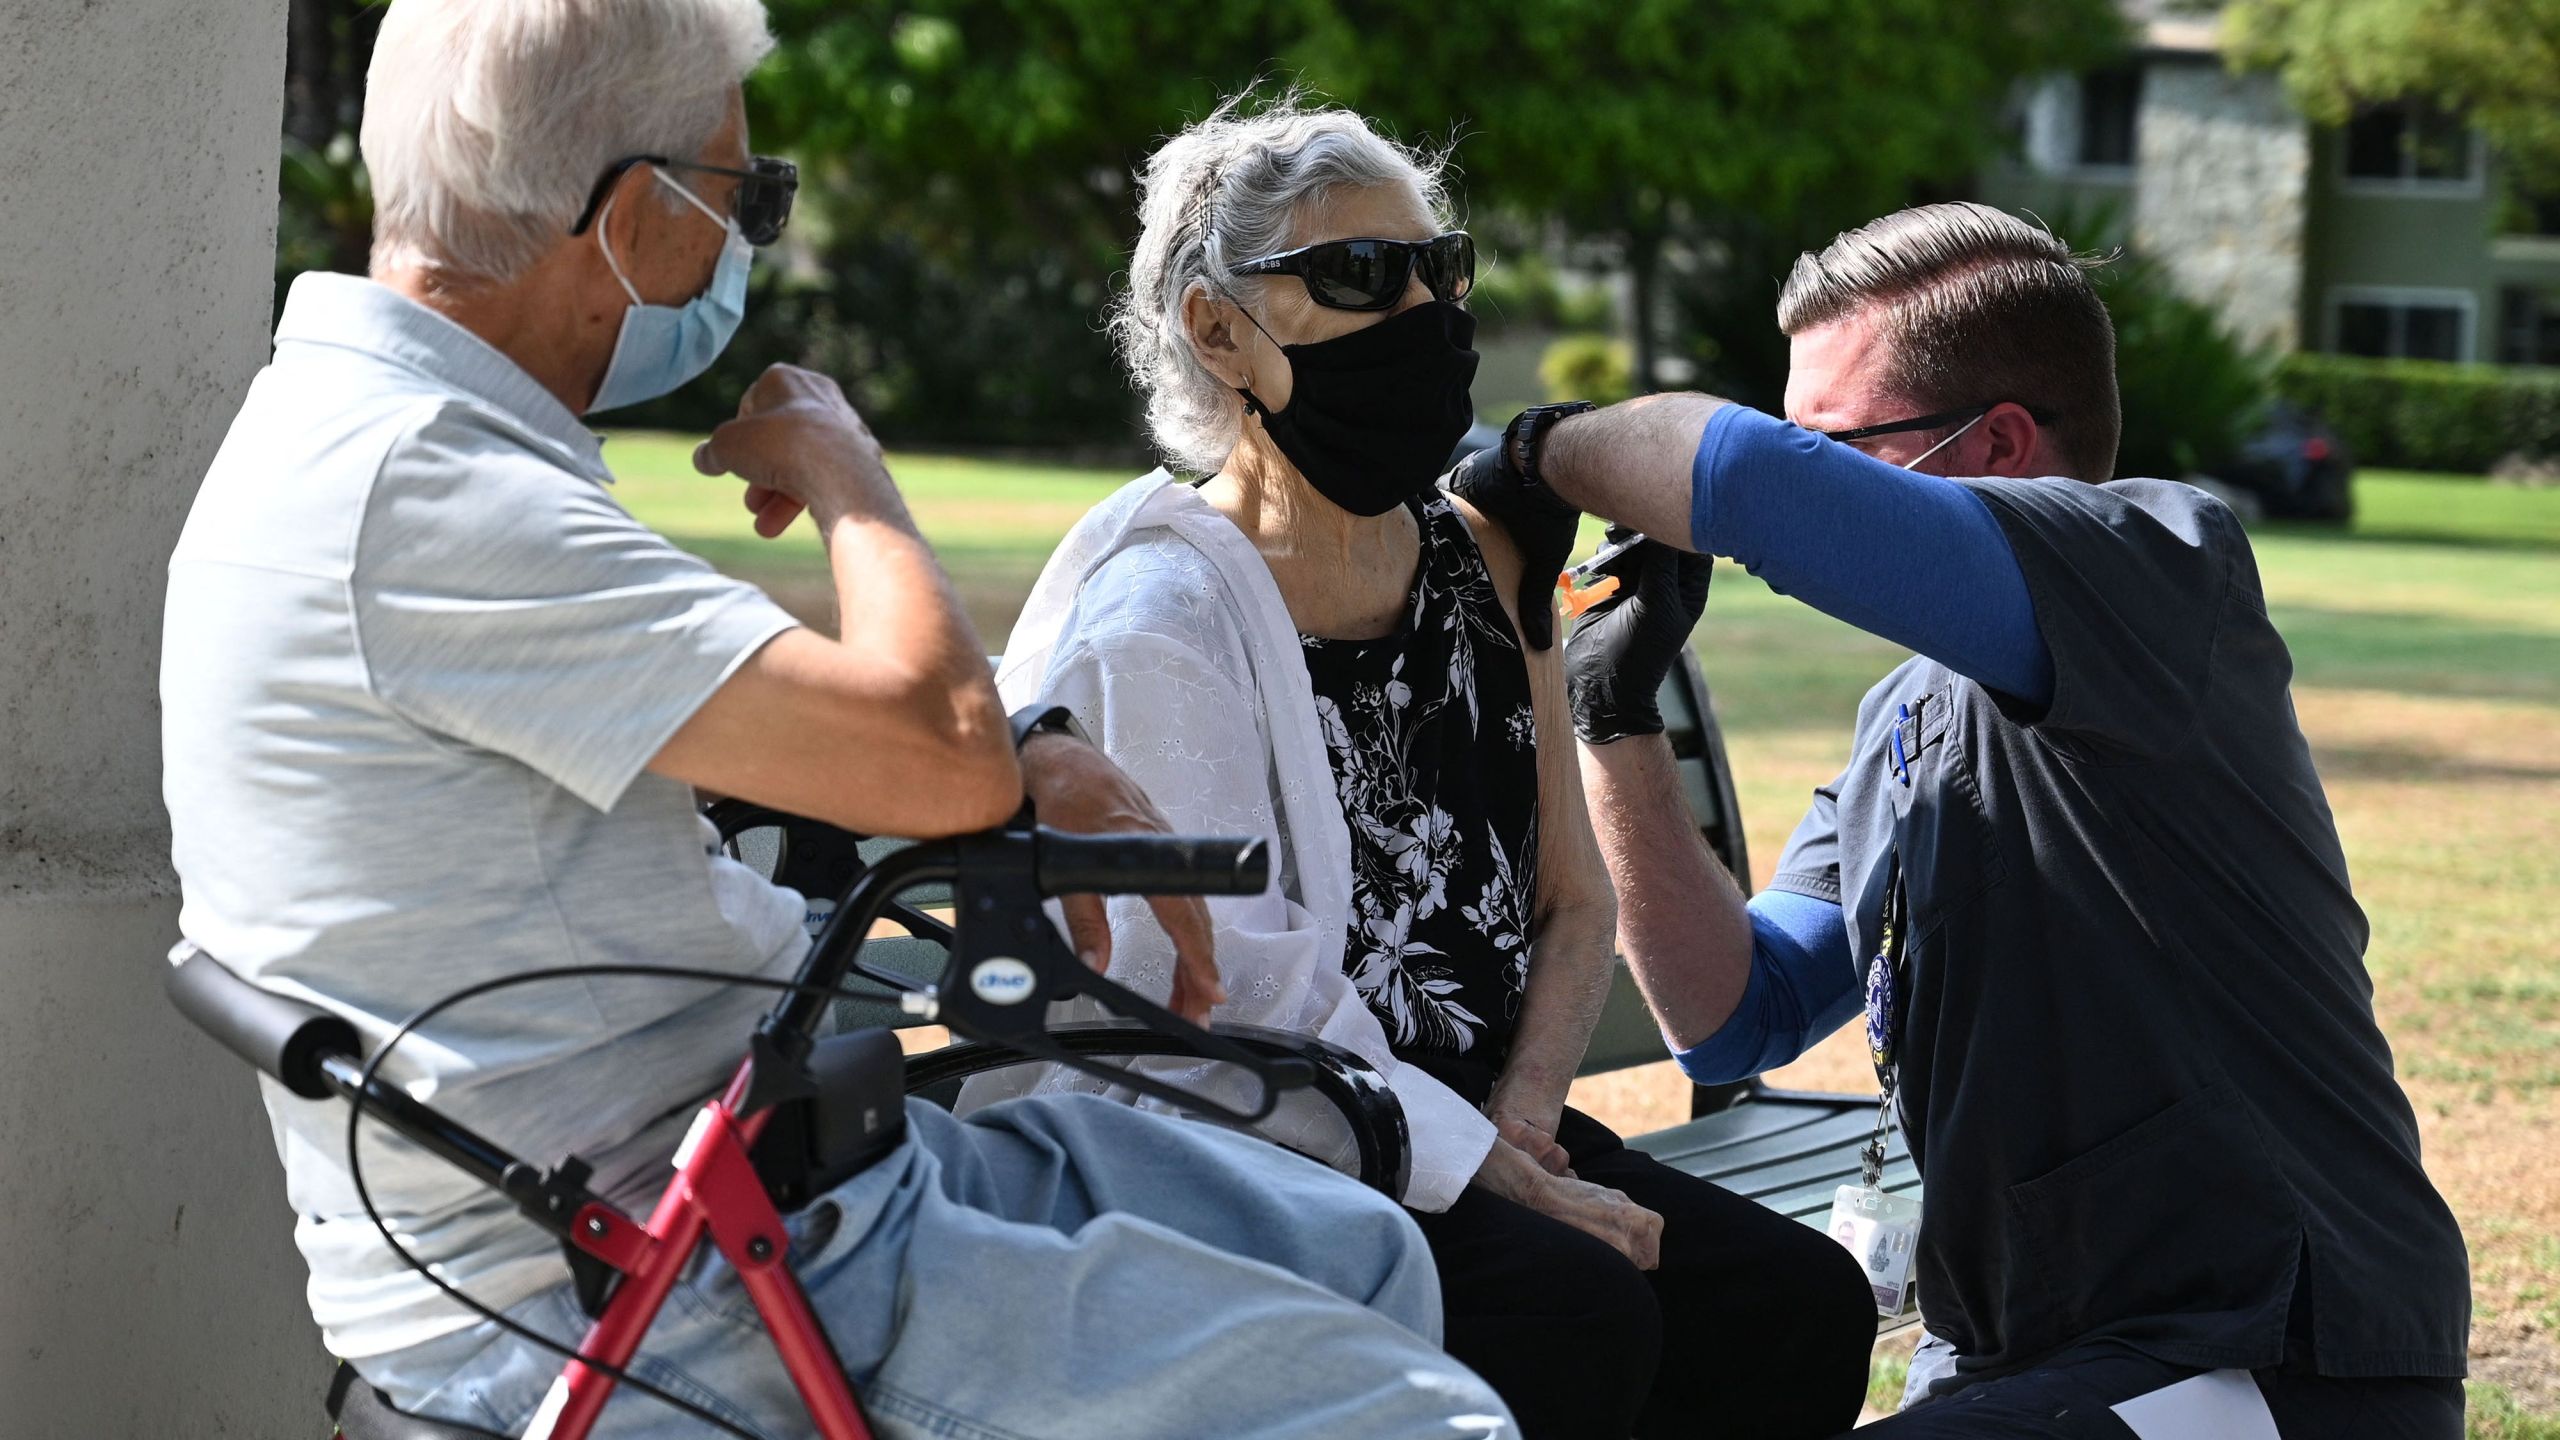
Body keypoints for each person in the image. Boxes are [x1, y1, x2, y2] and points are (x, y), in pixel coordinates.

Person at [158, 5, 1514, 1437]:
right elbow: (932, 756)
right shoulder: (431, 496)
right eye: (746, 198)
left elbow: (788, 721)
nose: (751, 243)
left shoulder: (369, 444)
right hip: (662, 1286)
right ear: (630, 217)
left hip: (756, 1189)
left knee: (1356, 1245)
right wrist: (848, 473)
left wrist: (1027, 752)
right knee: (1429, 1424)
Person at [1450, 202, 2472, 1438]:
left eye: (1833, 445)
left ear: (1996, 445)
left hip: (2269, 1353)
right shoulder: (1908, 714)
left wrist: (1530, 450)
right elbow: (1731, 1016)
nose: (1796, 492)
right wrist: (1615, 719)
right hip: (2022, 1356)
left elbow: (1742, 480)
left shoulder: (2157, 555)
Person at [966, 96, 1875, 1440]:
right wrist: (1496, 1175)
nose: (1426, 313)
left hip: (1464, 1132)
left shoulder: (1477, 557)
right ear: (1219, 329)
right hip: (1253, 1150)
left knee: (1792, 1302)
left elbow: (1574, 900)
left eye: (1439, 268)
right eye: (1359, 276)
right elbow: (1231, 1014)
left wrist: (1519, 1129)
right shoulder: (1159, 617)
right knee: (1576, 1314)